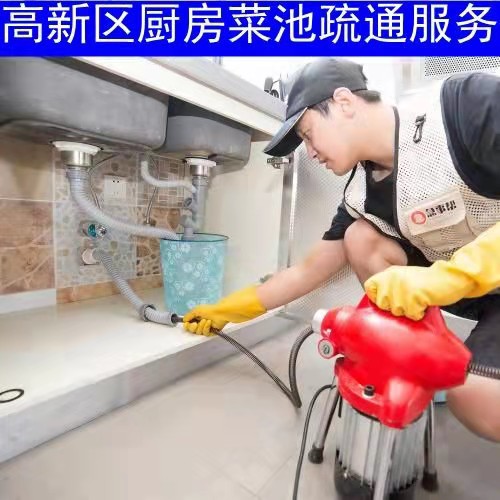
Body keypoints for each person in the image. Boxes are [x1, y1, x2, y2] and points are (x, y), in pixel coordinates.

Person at [183, 58, 500, 442]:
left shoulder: (462, 107)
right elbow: (307, 271)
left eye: (308, 133)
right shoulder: (360, 197)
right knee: (360, 238)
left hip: (475, 280)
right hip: (475, 299)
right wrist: (226, 311)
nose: (311, 152)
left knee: (483, 400)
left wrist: (454, 276)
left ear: (345, 102)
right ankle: (416, 361)